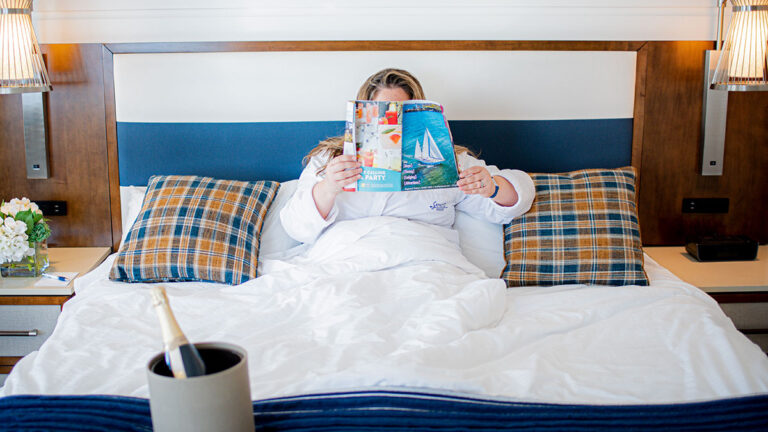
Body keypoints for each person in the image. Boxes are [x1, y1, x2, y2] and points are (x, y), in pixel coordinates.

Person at [280, 68, 535, 244]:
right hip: (346, 260)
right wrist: (328, 187)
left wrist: (491, 188)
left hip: (424, 259)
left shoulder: (448, 161)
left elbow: (517, 199)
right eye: (383, 113)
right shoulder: (330, 160)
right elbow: (296, 227)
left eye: (402, 113)